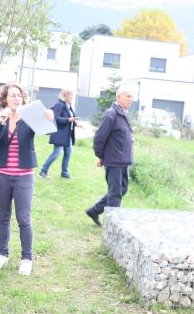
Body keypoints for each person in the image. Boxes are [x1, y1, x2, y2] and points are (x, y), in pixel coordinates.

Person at [0, 83, 54, 276]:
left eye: (19, 96)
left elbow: (48, 130)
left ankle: (26, 258)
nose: (16, 99)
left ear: (23, 99)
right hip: (3, 176)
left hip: (24, 176)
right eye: (12, 95)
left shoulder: (30, 117)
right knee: (3, 217)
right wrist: (1, 121)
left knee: (23, 219)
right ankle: (2, 254)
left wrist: (49, 118)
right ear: (5, 99)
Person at [85, 86, 134, 227]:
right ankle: (112, 226)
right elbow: (99, 138)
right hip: (114, 161)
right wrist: (100, 156)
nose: (131, 99)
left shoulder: (123, 113)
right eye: (128, 96)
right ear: (118, 97)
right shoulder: (111, 114)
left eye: (131, 97)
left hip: (123, 160)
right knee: (115, 194)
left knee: (122, 189)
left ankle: (94, 210)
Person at [38, 88, 77, 179]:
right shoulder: (59, 104)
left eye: (72, 95)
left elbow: (70, 119)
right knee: (57, 153)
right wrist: (68, 120)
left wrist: (76, 123)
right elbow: (56, 118)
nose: (72, 97)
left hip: (68, 135)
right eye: (70, 95)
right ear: (65, 95)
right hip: (60, 134)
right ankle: (43, 171)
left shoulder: (68, 105)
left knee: (68, 153)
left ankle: (64, 172)